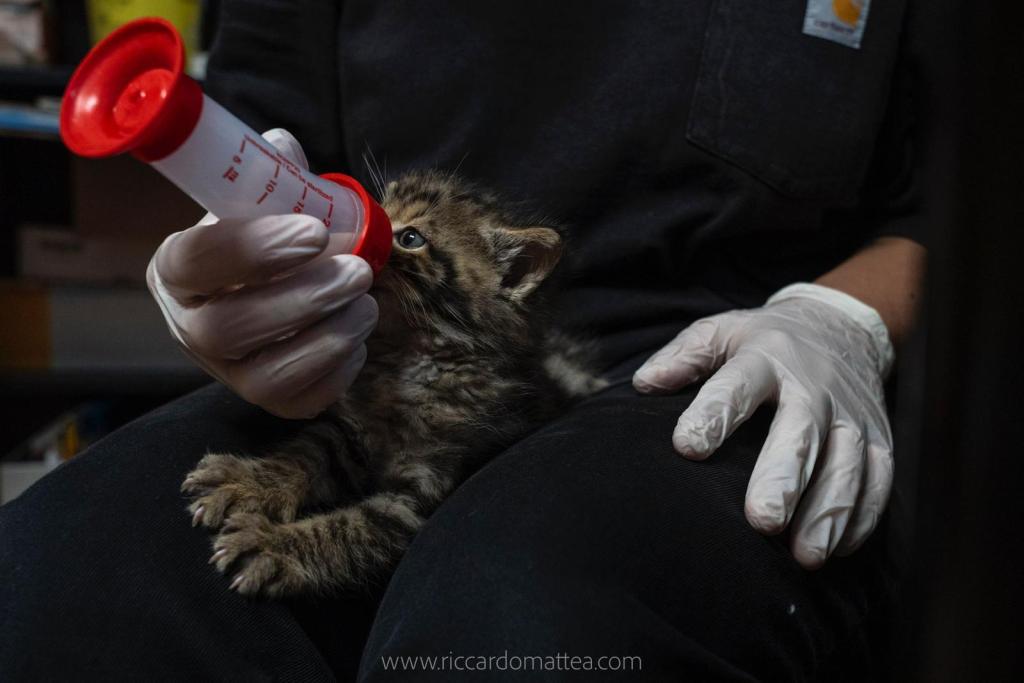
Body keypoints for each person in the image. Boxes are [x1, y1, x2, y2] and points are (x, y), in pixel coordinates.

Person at [0, 1, 928, 680]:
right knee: (54, 574)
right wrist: (239, 283)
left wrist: (836, 319)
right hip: (368, 339)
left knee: (519, 618)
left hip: (729, 359)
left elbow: (959, 199)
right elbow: (265, 142)